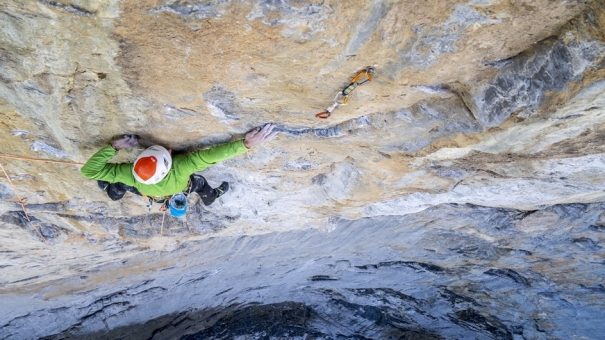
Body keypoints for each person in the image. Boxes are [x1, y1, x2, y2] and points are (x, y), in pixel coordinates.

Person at [80, 124, 277, 208]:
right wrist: (247, 143)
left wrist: (114, 147)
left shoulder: (129, 173)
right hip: (167, 191)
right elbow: (211, 156)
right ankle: (212, 197)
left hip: (143, 189)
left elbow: (89, 171)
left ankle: (110, 190)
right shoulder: (180, 167)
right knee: (199, 183)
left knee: (117, 184)